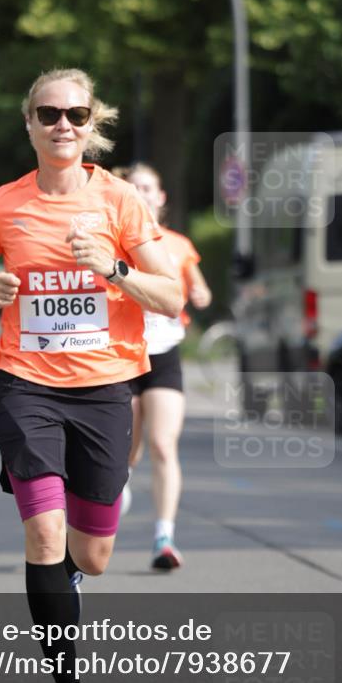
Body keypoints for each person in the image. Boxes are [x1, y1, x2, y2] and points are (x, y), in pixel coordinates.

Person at [0, 69, 182, 683]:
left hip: (107, 389)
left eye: (74, 115)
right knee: (45, 538)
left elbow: (170, 297)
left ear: (91, 123)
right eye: (48, 113)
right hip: (26, 384)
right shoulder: (2, 207)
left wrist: (112, 269)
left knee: (94, 553)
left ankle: (69, 577)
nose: (61, 125)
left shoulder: (120, 202)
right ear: (28, 122)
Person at [119, 163, 212, 570]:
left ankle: (164, 536)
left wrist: (203, 294)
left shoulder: (177, 244)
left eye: (147, 187)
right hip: (122, 356)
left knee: (162, 444)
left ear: (161, 197)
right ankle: (117, 486)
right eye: (132, 187)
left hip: (164, 353)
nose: (140, 193)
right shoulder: (116, 243)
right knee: (126, 451)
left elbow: (197, 286)